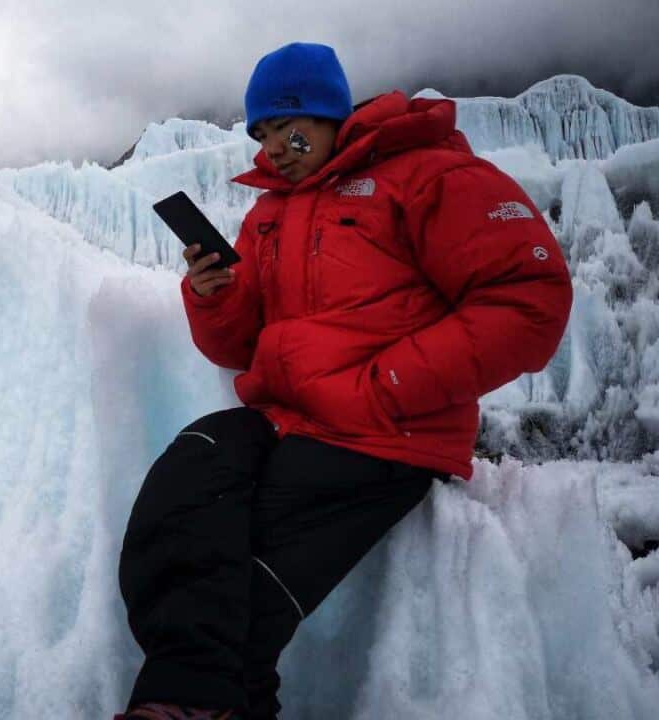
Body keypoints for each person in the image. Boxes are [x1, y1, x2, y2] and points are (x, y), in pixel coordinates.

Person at [117, 42, 573, 719]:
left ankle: (190, 705)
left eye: (286, 125)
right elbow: (241, 346)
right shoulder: (272, 212)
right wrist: (215, 296)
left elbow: (529, 298)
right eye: (263, 133)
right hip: (288, 414)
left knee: (255, 576)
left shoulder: (426, 176)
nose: (274, 146)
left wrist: (388, 384)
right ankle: (190, 700)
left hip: (386, 428)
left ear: (330, 112)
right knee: (185, 478)